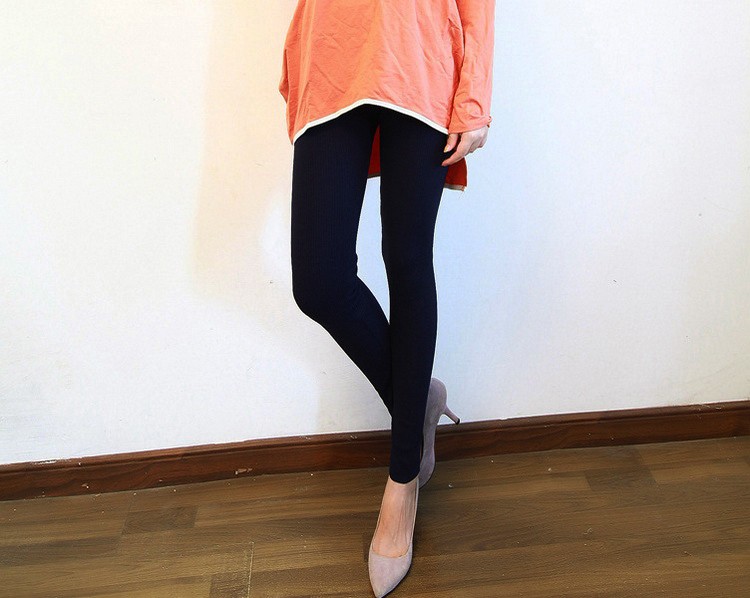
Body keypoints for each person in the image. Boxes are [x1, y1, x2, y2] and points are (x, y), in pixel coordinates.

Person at [279, 1, 495, 595]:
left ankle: (402, 483)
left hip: (419, 51)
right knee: (319, 281)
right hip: (332, 56)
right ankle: (417, 400)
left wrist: (474, 95)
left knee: (406, 262)